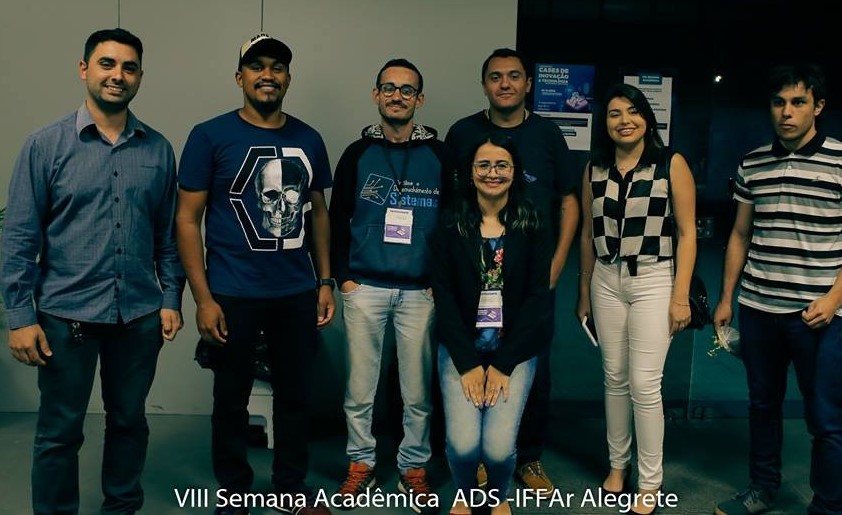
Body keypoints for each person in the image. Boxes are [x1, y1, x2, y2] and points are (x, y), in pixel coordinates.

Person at [0, 28, 184, 514]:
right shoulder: (45, 146)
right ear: (84, 69)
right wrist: (20, 317)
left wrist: (170, 299)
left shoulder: (158, 150)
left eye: (128, 67)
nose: (117, 75)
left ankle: (121, 508)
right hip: (65, 318)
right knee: (59, 432)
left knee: (129, 423)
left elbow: (167, 236)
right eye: (107, 64)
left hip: (139, 317)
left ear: (139, 76)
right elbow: (19, 238)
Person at [175, 33, 334, 515]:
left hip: (295, 291)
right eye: (257, 66)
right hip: (232, 292)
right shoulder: (210, 136)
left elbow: (319, 213)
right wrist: (203, 298)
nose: (268, 75)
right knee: (230, 398)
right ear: (239, 76)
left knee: (295, 397)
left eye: (277, 67)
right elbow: (187, 220)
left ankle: (289, 489)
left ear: (288, 77)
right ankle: (234, 492)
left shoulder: (308, 139)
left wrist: (324, 281)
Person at [444, 47, 579, 494]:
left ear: (528, 84)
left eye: (514, 76)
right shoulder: (463, 133)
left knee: (531, 366)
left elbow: (569, 201)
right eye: (496, 76)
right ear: (484, 84)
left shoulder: (547, 135)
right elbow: (449, 204)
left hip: (530, 278)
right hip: (473, 275)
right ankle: (481, 456)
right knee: (469, 360)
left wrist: (556, 265)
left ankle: (529, 456)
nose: (505, 84)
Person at [712, 64, 842, 515]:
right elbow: (740, 234)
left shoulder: (840, 161)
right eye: (779, 102)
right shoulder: (752, 163)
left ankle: (828, 506)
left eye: (798, 102)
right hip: (758, 308)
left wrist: (835, 298)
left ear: (818, 107)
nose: (787, 112)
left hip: (819, 314)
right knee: (762, 405)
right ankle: (762, 488)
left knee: (826, 416)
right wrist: (727, 298)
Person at [329, 58, 448, 512]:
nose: (397, 96)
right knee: (359, 390)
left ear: (420, 99)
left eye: (407, 90)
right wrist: (344, 279)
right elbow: (336, 219)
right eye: (389, 88)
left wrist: (438, 281)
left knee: (417, 392)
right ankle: (361, 462)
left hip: (420, 292)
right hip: (366, 287)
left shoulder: (439, 155)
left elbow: (455, 222)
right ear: (376, 95)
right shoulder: (357, 154)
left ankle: (413, 467)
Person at [576, 83, 696, 515]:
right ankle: (617, 466)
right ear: (605, 123)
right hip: (606, 280)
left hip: (655, 279)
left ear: (647, 118)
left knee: (645, 384)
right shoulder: (594, 168)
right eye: (614, 113)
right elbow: (587, 235)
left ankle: (650, 482)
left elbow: (687, 233)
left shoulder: (670, 164)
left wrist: (680, 295)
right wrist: (583, 291)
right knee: (614, 378)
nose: (624, 120)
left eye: (632, 111)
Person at [430, 134, 551, 515]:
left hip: (513, 350)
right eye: (483, 165)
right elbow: (444, 298)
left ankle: (497, 496)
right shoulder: (450, 225)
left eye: (502, 165)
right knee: (464, 446)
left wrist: (502, 365)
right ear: (470, 173)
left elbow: (536, 300)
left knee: (497, 449)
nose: (492, 173)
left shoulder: (531, 224)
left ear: (514, 172)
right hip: (461, 347)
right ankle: (466, 494)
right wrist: (468, 365)